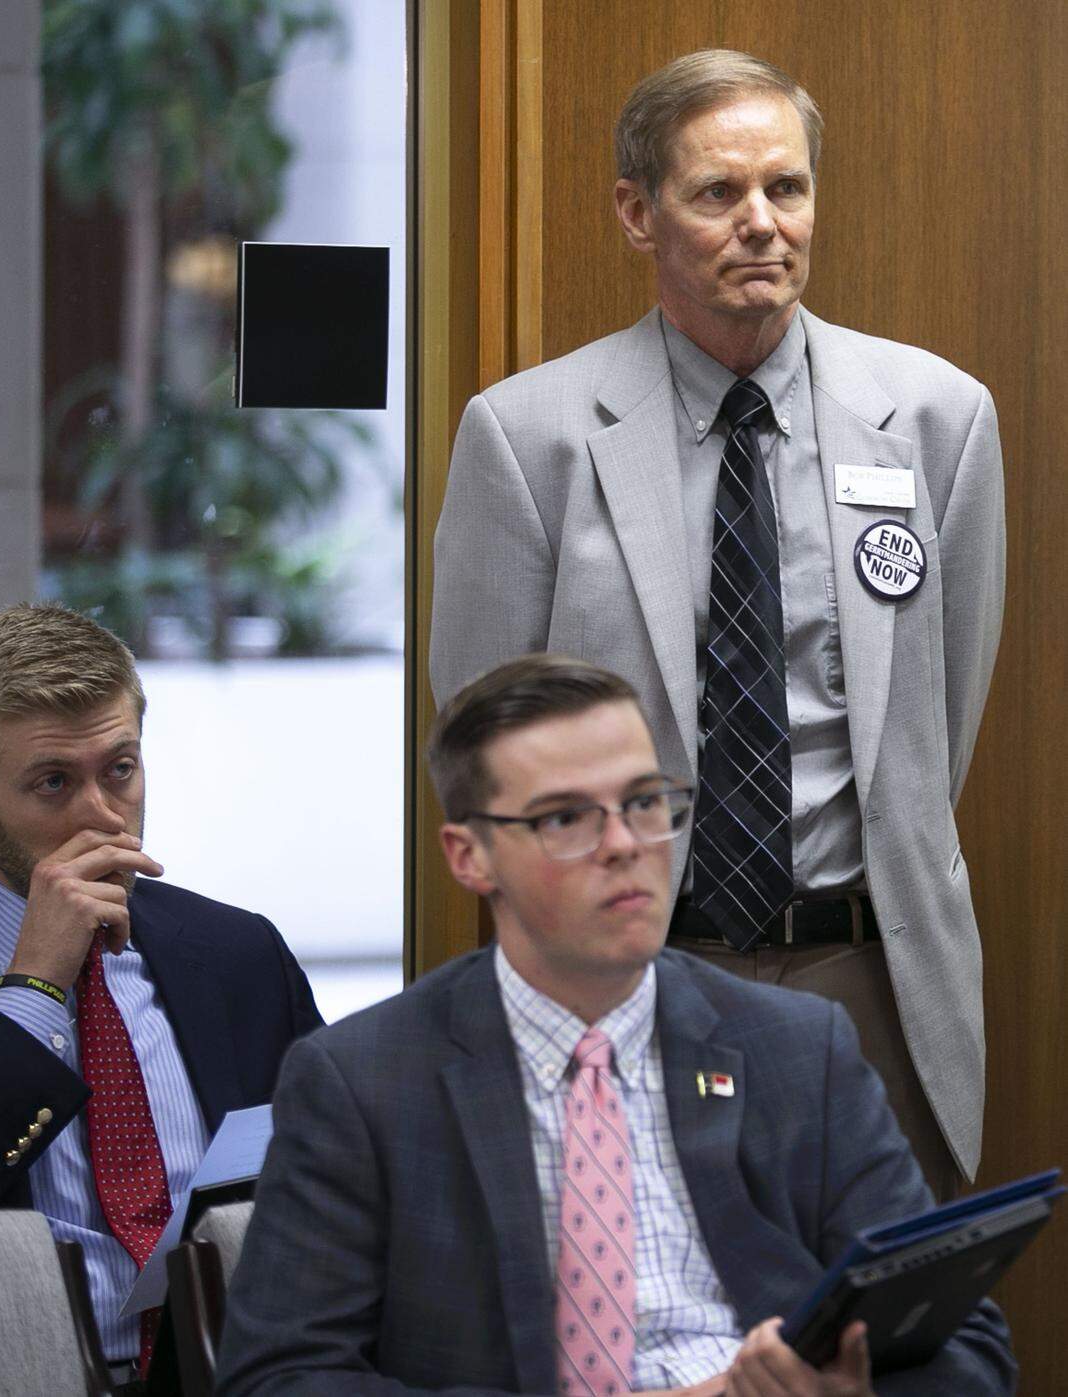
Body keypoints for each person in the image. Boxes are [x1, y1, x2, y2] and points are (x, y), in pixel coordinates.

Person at [429, 50, 1005, 1200]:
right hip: (635, 960)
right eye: (718, 193)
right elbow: (484, 741)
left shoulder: (937, 417)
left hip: (867, 971)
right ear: (638, 213)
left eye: (786, 190)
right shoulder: (529, 436)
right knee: (640, 1316)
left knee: (885, 1338)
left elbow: (944, 715)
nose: (763, 225)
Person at [215, 655, 1013, 1396]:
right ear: (469, 856)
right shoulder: (362, 1080)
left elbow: (969, 1345)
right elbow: (279, 1377)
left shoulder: (800, 1047)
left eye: (644, 803)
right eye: (566, 818)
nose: (626, 845)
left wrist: (856, 1388)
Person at [0, 603, 323, 1382]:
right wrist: (34, 986)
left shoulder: (241, 954)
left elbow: (330, 1184)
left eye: (120, 768)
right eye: (52, 782)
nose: (103, 814)